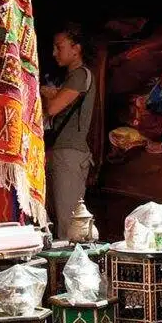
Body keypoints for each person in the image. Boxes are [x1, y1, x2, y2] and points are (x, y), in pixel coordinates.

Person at [42, 24, 95, 235]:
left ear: (76, 48)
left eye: (59, 47)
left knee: (69, 223)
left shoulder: (80, 75)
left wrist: (48, 95)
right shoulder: (69, 78)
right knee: (60, 220)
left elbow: (53, 108)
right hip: (61, 152)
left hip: (69, 154)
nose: (54, 53)